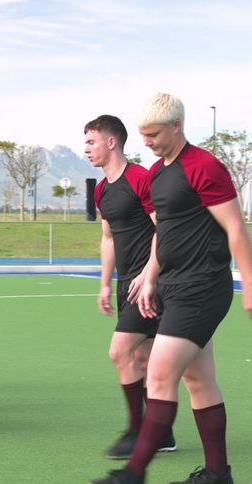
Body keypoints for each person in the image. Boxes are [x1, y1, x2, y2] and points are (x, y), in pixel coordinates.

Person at [90, 92, 252, 484]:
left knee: (158, 373)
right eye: (142, 135)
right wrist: (150, 276)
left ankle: (133, 474)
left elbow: (235, 228)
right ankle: (218, 473)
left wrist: (251, 283)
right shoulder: (156, 173)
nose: (147, 141)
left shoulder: (205, 167)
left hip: (203, 287)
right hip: (171, 285)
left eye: (153, 134)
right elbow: (164, 234)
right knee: (198, 380)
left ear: (177, 126)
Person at [84, 114, 176, 459]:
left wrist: (149, 275)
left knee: (119, 352)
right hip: (126, 284)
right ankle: (162, 434)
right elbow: (108, 238)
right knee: (142, 356)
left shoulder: (141, 178)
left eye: (91, 141)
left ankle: (138, 431)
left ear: (111, 142)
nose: (87, 149)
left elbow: (163, 230)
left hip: (151, 282)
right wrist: (105, 284)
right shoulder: (101, 188)